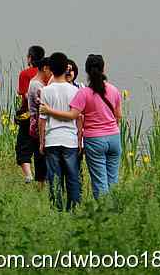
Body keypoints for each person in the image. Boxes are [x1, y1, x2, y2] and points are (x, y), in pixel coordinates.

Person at [41, 55, 122, 199]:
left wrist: (49, 111)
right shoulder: (114, 90)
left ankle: (104, 213)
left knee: (100, 182)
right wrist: (111, 129)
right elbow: (118, 116)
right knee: (113, 179)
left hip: (94, 140)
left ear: (86, 71)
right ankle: (115, 212)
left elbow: (73, 115)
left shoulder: (84, 93)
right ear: (104, 68)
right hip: (114, 138)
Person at [38, 52, 82, 211]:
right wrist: (79, 140)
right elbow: (78, 119)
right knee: (73, 177)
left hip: (52, 140)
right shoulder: (75, 91)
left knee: (54, 179)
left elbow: (42, 120)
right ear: (66, 69)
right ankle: (74, 209)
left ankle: (57, 210)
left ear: (50, 69)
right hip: (70, 140)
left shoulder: (46, 91)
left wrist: (41, 141)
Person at [19, 57, 51, 184]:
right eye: (51, 71)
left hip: (35, 123)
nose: (52, 74)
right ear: (45, 68)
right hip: (39, 124)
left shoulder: (34, 82)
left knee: (40, 156)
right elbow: (44, 107)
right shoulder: (38, 85)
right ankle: (42, 182)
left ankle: (41, 181)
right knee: (41, 156)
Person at [15, 45, 45, 178]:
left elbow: (25, 95)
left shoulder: (25, 74)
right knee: (40, 147)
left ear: (30, 58)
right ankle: (42, 178)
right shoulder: (46, 74)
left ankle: (29, 176)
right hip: (45, 116)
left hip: (28, 115)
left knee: (23, 147)